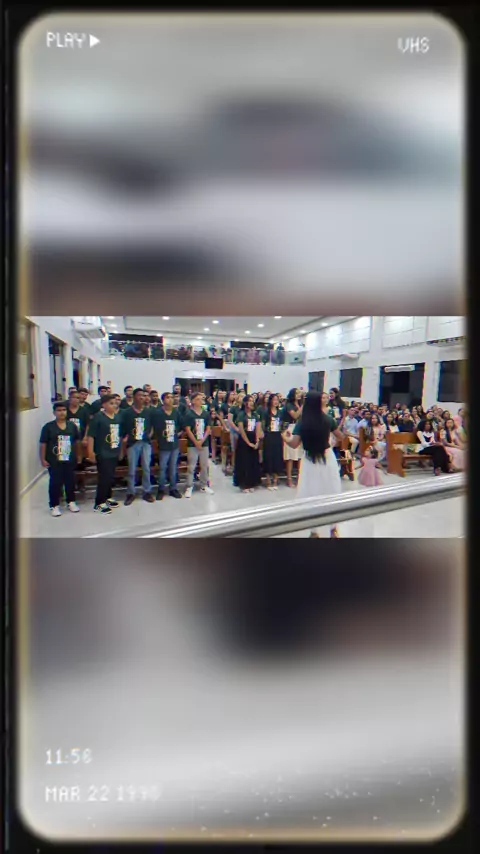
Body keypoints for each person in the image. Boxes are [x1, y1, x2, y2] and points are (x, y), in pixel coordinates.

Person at [282, 391, 344, 538]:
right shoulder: (328, 420)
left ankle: (314, 531)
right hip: (327, 458)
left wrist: (285, 438)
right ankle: (333, 529)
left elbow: (294, 444)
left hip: (309, 460)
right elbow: (341, 437)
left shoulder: (302, 422)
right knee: (331, 491)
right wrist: (332, 441)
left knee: (312, 494)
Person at [39, 401, 82, 517]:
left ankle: (71, 501)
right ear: (54, 412)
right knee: (55, 482)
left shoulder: (72, 426)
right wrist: (43, 459)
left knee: (70, 481)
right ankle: (54, 505)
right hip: (54, 460)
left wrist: (79, 456)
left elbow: (77, 442)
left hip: (69, 458)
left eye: (64, 410)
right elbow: (43, 444)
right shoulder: (48, 427)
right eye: (59, 410)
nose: (62, 413)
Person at [87, 393, 123, 514]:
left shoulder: (117, 417)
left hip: (114, 450)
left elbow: (119, 435)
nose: (114, 405)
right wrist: (90, 452)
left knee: (111, 477)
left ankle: (108, 497)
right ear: (104, 405)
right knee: (104, 477)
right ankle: (99, 503)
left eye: (115, 403)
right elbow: (91, 436)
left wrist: (120, 451)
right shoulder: (98, 417)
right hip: (103, 452)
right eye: (111, 403)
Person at [121, 388, 155, 505]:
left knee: (146, 467)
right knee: (132, 469)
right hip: (133, 443)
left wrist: (149, 435)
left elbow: (152, 426)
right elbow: (123, 427)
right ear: (134, 397)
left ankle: (147, 491)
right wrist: (125, 438)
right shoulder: (127, 412)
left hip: (145, 442)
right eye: (139, 395)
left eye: (144, 395)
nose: (142, 397)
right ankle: (131, 492)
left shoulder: (148, 412)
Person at [152, 392, 183, 500]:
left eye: (171, 397)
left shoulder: (176, 412)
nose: (170, 399)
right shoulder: (158, 413)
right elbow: (154, 428)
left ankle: (173, 488)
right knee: (162, 468)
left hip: (174, 445)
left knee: (173, 468)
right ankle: (161, 489)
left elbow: (182, 425)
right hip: (163, 444)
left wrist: (178, 434)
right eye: (167, 397)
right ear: (163, 400)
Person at [183, 393, 214, 498]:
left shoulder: (206, 414)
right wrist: (196, 442)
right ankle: (189, 486)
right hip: (192, 444)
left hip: (204, 443)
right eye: (198, 399)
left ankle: (204, 485)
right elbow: (188, 430)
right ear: (193, 401)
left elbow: (208, 429)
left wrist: (202, 440)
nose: (201, 401)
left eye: (201, 399)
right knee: (191, 466)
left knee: (204, 465)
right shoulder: (189, 414)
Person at [234, 395, 262, 493]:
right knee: (244, 462)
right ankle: (244, 484)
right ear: (245, 403)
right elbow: (241, 430)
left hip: (253, 438)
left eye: (252, 401)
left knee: (252, 462)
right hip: (244, 440)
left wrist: (257, 441)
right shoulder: (241, 414)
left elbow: (258, 428)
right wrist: (248, 443)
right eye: (249, 401)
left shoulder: (255, 415)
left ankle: (252, 482)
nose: (251, 403)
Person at [261, 393, 284, 490]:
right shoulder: (266, 412)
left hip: (277, 435)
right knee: (268, 457)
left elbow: (282, 423)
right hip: (269, 435)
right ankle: (268, 480)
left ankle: (275, 480)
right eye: (274, 400)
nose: (275, 402)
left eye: (277, 400)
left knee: (277, 456)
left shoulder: (280, 412)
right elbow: (262, 425)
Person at [282, 388, 303, 488]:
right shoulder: (289, 405)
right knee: (290, 455)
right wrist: (302, 407)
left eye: (299, 393)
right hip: (290, 427)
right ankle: (289, 479)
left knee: (300, 455)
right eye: (297, 393)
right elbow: (294, 416)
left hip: (300, 427)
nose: (299, 395)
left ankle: (300, 477)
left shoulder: (299, 404)